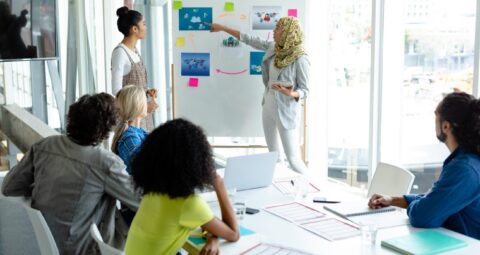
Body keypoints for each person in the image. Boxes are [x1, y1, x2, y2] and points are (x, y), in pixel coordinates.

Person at [1, 93, 139, 255]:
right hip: (90, 249)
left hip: (50, 245)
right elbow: (140, 200)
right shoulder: (105, 163)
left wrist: (47, 186)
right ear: (106, 130)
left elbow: (9, 186)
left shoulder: (44, 147)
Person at [368, 92, 480, 239]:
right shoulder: (468, 160)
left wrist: (419, 206)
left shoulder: (464, 169)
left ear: (445, 125)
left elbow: (423, 216)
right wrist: (393, 200)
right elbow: (438, 198)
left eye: (436, 116)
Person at [208, 17, 310, 174]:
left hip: (286, 112)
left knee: (294, 160)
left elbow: (305, 90)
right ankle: (280, 192)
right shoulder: (274, 49)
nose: (274, 31)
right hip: (268, 107)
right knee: (274, 158)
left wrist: (291, 93)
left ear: (288, 33)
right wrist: (222, 28)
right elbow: (249, 39)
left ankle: (312, 192)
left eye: (277, 29)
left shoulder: (300, 58)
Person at [124, 119, 240, 255]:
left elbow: (207, 225)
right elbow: (233, 234)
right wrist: (219, 184)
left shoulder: (152, 192)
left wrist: (214, 237)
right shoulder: (188, 204)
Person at [111, 6, 157, 131]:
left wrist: (146, 91)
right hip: (131, 120)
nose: (146, 27)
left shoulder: (134, 50)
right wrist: (144, 107)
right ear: (134, 29)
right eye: (144, 24)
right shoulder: (120, 53)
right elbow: (117, 91)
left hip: (142, 116)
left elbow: (134, 83)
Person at [112, 85, 148, 225]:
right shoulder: (130, 137)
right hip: (138, 207)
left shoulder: (138, 133)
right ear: (138, 105)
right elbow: (143, 169)